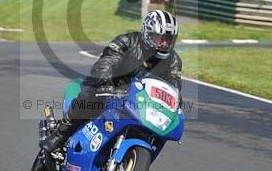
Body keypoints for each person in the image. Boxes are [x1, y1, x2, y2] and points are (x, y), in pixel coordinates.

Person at [40, 10, 182, 152]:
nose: (164, 43)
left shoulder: (173, 60)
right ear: (148, 33)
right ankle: (60, 135)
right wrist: (105, 81)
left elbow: (174, 85)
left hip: (139, 100)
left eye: (168, 39)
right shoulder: (127, 42)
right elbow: (107, 62)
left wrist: (176, 104)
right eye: (160, 38)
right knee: (90, 95)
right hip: (111, 87)